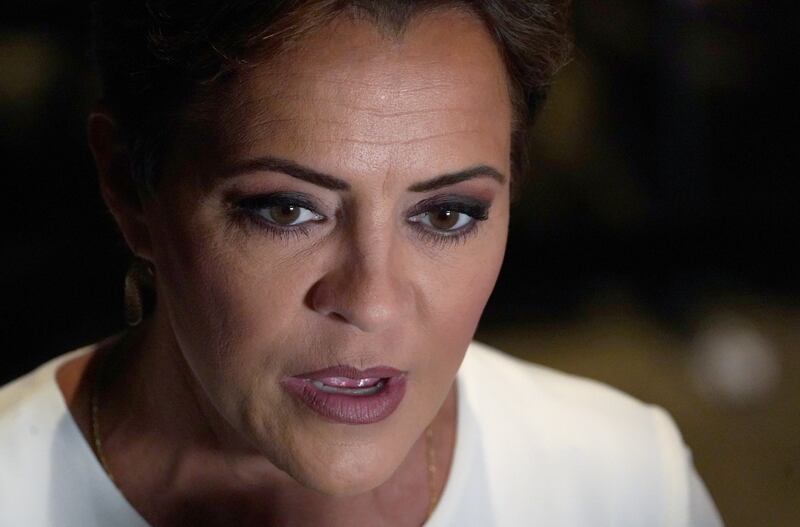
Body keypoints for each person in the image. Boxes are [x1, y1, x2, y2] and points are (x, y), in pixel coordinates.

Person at [0, 1, 723, 525]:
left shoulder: (625, 481)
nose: (373, 303)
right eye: (288, 210)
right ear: (130, 188)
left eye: (446, 214)